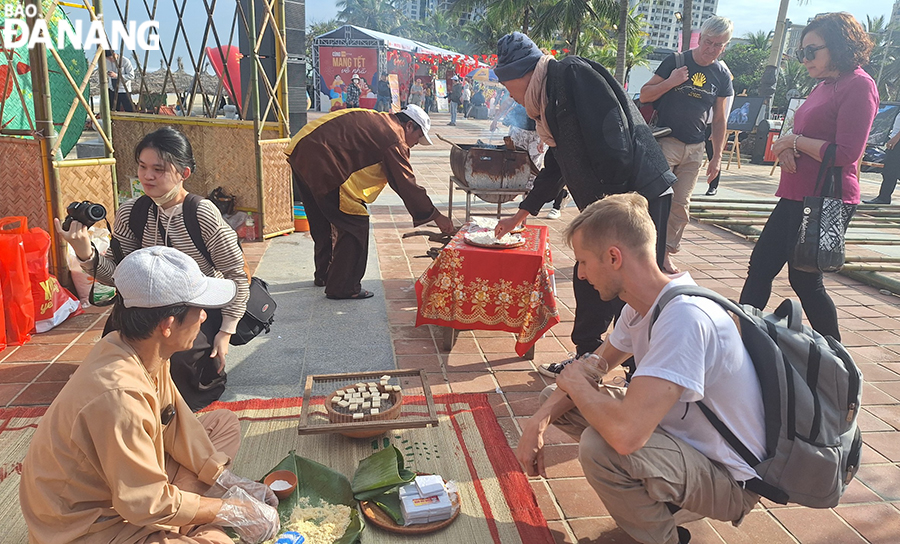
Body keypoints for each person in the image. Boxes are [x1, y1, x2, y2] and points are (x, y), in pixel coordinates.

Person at [517, 194, 765, 544]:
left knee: (601, 448)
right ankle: (655, 499)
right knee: (557, 397)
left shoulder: (683, 319)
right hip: (688, 443)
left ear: (614, 257)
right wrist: (538, 419)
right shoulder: (644, 305)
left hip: (731, 480)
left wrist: (579, 383)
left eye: (584, 262)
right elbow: (595, 366)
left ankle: (663, 538)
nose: (582, 274)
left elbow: (626, 436)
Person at [19, 246, 280, 544]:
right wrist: (229, 510)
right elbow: (145, 503)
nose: (204, 316)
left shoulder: (138, 349)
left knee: (222, 424)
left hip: (129, 487)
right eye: (199, 309)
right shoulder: (119, 396)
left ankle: (188, 514)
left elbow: (178, 425)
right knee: (216, 540)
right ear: (168, 325)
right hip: (87, 525)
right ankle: (194, 525)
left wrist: (226, 480)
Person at [492, 32, 675, 377]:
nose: (509, 95)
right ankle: (587, 358)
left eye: (506, 86)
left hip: (634, 197)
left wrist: (612, 211)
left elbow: (614, 139)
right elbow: (557, 164)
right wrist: (522, 212)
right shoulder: (547, 100)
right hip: (607, 202)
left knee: (631, 288)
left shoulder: (571, 74)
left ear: (520, 74)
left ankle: (644, 373)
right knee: (588, 274)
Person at [57, 127, 249, 411]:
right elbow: (120, 277)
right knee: (116, 351)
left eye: (158, 169)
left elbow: (237, 275)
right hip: (147, 306)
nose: (147, 176)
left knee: (183, 374)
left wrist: (225, 332)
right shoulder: (132, 213)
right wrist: (85, 251)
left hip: (194, 304)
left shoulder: (201, 213)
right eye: (143, 167)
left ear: (184, 173)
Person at [740, 12, 877, 341]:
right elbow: (800, 131)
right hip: (794, 193)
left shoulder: (859, 85)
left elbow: (846, 153)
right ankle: (738, 340)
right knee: (760, 266)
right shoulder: (823, 85)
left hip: (827, 199)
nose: (804, 59)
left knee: (805, 282)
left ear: (839, 46)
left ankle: (837, 357)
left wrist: (795, 142)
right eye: (802, 52)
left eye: (811, 51)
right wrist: (788, 145)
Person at [286, 104, 455, 300]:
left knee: (323, 218)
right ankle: (343, 287)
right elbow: (406, 184)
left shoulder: (382, 120)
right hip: (323, 159)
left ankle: (325, 274)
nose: (416, 144)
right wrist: (436, 216)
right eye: (418, 137)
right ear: (409, 125)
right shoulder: (395, 138)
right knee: (355, 222)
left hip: (303, 147)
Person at [639, 16, 734, 274]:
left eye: (718, 45)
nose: (711, 49)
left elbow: (720, 119)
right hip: (666, 141)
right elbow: (645, 94)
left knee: (681, 204)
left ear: (725, 46)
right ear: (699, 37)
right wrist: (671, 81)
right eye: (708, 42)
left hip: (695, 148)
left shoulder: (722, 74)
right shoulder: (676, 61)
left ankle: (666, 252)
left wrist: (716, 159)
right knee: (654, 199)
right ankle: (644, 250)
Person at [864, 111, 900, 204]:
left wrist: (896, 138)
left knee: (890, 171)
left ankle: (883, 198)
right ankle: (883, 197)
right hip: (894, 140)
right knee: (890, 171)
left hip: (897, 142)